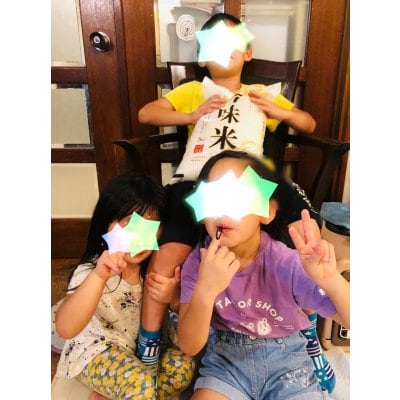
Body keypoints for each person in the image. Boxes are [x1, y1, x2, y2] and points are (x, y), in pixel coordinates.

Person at [136, 12, 334, 393]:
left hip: (248, 186)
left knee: (305, 235)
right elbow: (147, 113)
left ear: (248, 52)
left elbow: (308, 123)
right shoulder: (195, 90)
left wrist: (279, 111)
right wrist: (191, 115)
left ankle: (305, 336)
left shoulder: (260, 94)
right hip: (197, 183)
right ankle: (150, 346)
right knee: (166, 258)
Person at [178, 151, 350, 399]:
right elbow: (188, 345)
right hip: (227, 365)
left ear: (267, 211)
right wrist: (205, 291)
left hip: (289, 364)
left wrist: (330, 278)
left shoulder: (286, 262)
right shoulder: (199, 262)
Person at [55, 172, 195, 400]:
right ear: (106, 224)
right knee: (141, 385)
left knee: (183, 367)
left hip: (140, 353)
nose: (138, 236)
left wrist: (174, 297)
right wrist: (99, 276)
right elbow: (66, 328)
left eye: (150, 226)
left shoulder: (155, 268)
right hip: (98, 353)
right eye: (128, 223)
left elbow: (179, 315)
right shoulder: (93, 270)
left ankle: (116, 395)